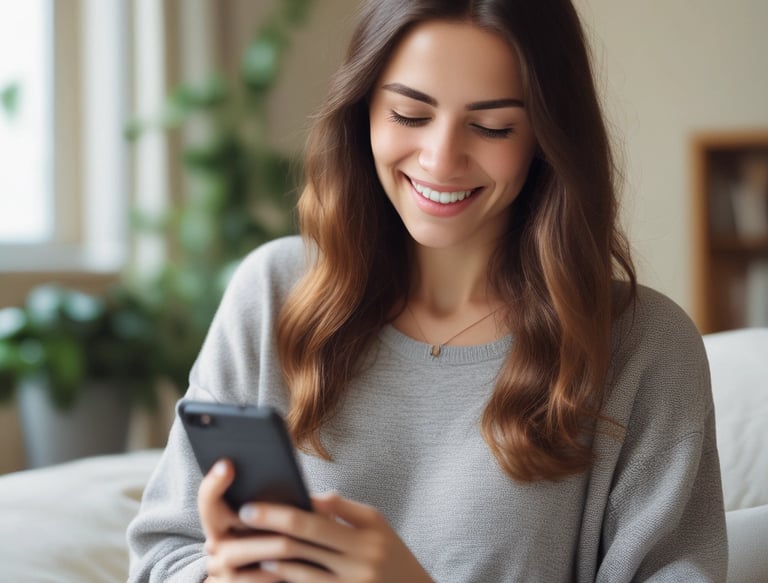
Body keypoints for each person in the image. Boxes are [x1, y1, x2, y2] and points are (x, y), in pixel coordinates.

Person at [127, 0, 728, 581]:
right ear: (361, 109)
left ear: (546, 135)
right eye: (409, 116)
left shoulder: (643, 346)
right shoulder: (274, 292)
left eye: (492, 127)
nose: (441, 160)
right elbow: (161, 556)